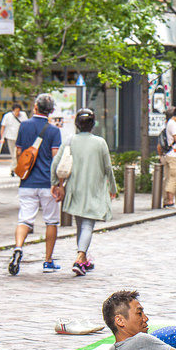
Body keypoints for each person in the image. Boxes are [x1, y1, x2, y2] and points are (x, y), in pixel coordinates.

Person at [50, 108, 116, 276]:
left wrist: (55, 184)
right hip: (94, 188)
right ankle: (80, 257)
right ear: (93, 124)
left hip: (75, 188)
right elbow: (108, 167)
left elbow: (55, 164)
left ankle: (83, 257)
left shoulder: (70, 141)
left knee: (81, 223)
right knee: (87, 224)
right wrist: (113, 188)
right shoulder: (100, 142)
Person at [9, 93, 63, 275]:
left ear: (35, 107)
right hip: (48, 182)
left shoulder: (24, 126)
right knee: (51, 221)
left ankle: (18, 247)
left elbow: (18, 152)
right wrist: (59, 183)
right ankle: (48, 261)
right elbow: (56, 159)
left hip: (27, 181)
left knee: (24, 219)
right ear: (51, 111)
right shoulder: (54, 131)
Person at [0, 102, 28, 176]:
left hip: (20, 138)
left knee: (18, 154)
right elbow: (3, 127)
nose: (17, 113)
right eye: (16, 111)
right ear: (13, 111)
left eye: (18, 111)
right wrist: (2, 138)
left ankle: (13, 169)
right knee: (13, 154)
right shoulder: (7, 116)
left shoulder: (23, 115)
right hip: (10, 137)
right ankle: (15, 169)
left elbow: (26, 125)